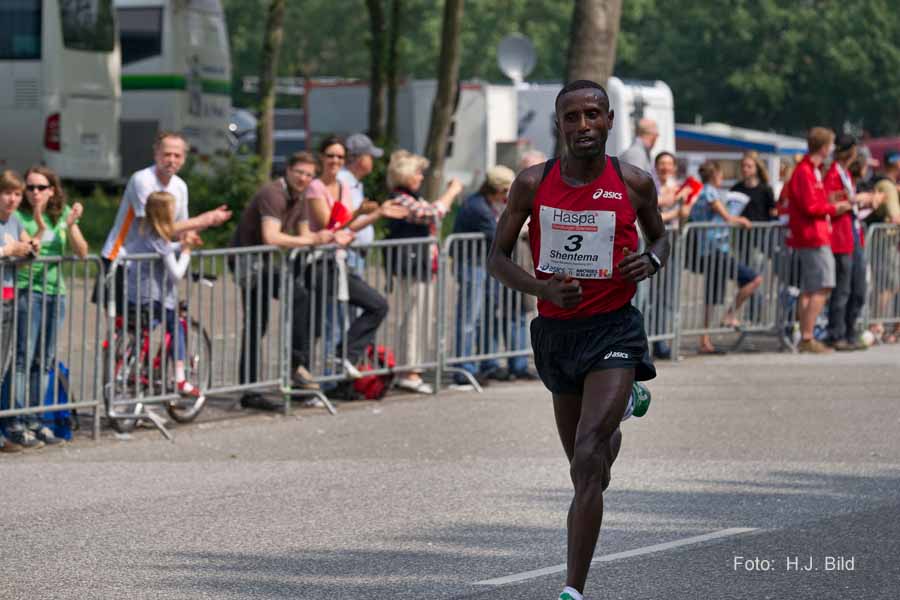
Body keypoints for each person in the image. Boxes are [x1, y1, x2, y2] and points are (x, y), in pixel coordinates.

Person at [488, 80, 667, 600]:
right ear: (560, 124)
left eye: (593, 115)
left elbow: (660, 236)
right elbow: (497, 258)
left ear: (610, 121)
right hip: (556, 336)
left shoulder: (633, 182)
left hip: (613, 328)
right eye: (573, 117)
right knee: (589, 467)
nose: (584, 125)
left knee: (588, 456)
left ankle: (572, 590)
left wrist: (651, 259)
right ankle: (622, 409)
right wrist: (541, 286)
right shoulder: (531, 183)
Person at [230, 151, 341, 411]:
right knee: (262, 321)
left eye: (309, 175)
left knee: (303, 299)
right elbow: (272, 236)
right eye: (299, 172)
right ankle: (280, 373)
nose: (303, 178)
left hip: (267, 262)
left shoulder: (299, 197)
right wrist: (311, 240)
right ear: (288, 171)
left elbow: (304, 233)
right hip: (250, 264)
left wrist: (322, 237)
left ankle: (294, 369)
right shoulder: (273, 194)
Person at [99, 131, 230, 311]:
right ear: (156, 155)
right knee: (120, 325)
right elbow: (155, 227)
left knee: (150, 320)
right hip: (121, 257)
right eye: (166, 154)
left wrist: (190, 237)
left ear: (184, 158)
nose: (171, 160)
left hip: (151, 261)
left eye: (177, 155)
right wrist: (202, 220)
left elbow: (181, 227)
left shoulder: (180, 186)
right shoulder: (142, 180)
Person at [4, 166, 87, 448]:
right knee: (23, 358)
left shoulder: (61, 215)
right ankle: (17, 420)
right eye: (30, 187)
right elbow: (31, 249)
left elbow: (82, 252)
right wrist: (38, 223)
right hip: (29, 291)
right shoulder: (19, 216)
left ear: (52, 190)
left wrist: (72, 223)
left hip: (56, 292)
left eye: (41, 187)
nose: (34, 192)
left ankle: (37, 419)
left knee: (46, 358)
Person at [305, 136, 396, 383]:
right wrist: (358, 214)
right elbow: (330, 225)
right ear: (321, 158)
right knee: (331, 322)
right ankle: (328, 381)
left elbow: (349, 226)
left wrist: (378, 213)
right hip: (320, 263)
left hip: (340, 261)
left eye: (339, 157)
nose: (335, 161)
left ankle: (342, 360)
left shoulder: (344, 188)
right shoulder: (316, 187)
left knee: (377, 305)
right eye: (330, 156)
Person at [383, 149, 463, 394]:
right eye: (418, 172)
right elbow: (432, 213)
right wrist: (451, 192)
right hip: (412, 266)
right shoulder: (401, 199)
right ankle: (409, 370)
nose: (421, 177)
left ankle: (411, 367)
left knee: (419, 317)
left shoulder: (411, 197)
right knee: (413, 317)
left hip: (422, 266)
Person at [452, 165, 535, 384]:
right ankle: (464, 367)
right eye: (506, 189)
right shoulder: (477, 207)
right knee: (469, 319)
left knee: (487, 317)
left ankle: (486, 363)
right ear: (496, 189)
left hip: (483, 267)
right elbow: (500, 233)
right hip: (471, 266)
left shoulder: (488, 204)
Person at [125, 191, 204, 401]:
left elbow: (165, 249)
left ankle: (136, 360)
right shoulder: (160, 237)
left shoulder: (145, 231)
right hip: (154, 295)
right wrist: (186, 252)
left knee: (146, 326)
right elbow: (176, 273)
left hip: (135, 293)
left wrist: (181, 244)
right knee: (175, 325)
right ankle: (180, 379)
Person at [782, 127, 852, 353]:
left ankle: (806, 336)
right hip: (812, 235)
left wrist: (832, 199)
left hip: (814, 233)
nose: (832, 149)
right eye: (830, 145)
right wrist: (835, 207)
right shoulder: (805, 171)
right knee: (824, 285)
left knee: (811, 287)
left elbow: (813, 200)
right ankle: (808, 336)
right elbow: (810, 206)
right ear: (823, 147)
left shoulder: (812, 170)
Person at [687, 161, 763, 354]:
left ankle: (709, 336)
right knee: (751, 279)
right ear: (715, 176)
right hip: (714, 249)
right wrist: (742, 220)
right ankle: (718, 327)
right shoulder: (710, 193)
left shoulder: (706, 193)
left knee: (713, 296)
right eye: (721, 176)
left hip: (715, 249)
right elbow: (727, 217)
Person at [0, 171, 38, 453]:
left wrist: (28, 251)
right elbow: (9, 250)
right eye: (7, 193)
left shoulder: (14, 220)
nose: (13, 199)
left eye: (16, 193)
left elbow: (23, 252)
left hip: (8, 297)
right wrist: (9, 249)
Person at [823, 135, 869, 350]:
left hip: (854, 233)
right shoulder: (832, 174)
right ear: (851, 152)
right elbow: (830, 200)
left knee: (858, 288)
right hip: (841, 236)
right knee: (843, 289)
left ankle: (850, 331)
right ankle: (836, 333)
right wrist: (854, 200)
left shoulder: (846, 175)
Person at [619, 117, 659, 182]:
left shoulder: (639, 152)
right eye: (657, 135)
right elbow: (636, 183)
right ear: (653, 136)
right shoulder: (636, 153)